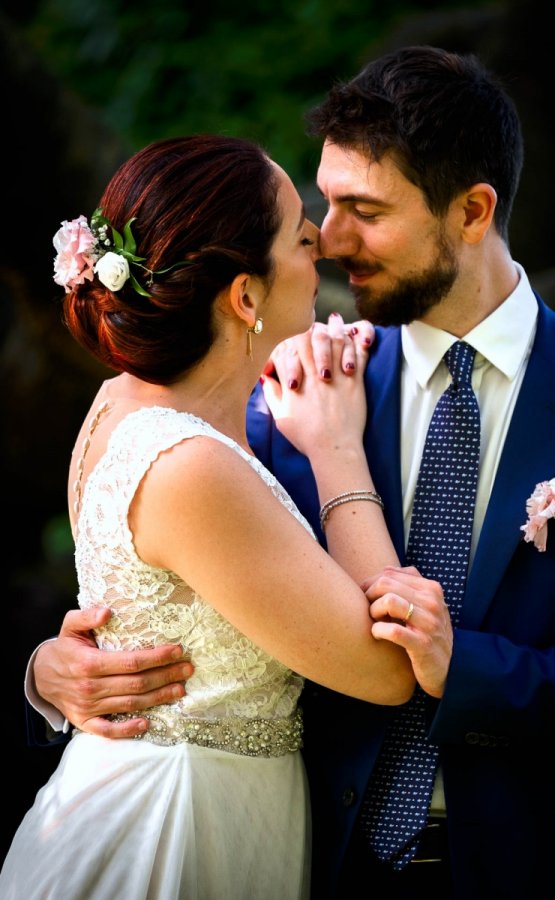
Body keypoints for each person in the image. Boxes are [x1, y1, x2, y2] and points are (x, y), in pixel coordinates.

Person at [25, 46, 555, 899]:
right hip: (318, 862)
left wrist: (469, 670)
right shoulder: (283, 396)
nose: (328, 241)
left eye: (362, 210)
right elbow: (175, 580)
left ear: (473, 211)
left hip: (535, 866)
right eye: (323, 205)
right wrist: (50, 672)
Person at [3, 132, 442, 900]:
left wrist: (45, 672)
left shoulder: (122, 401)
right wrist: (336, 447)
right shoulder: (189, 467)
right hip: (175, 829)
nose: (325, 257)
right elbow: (387, 670)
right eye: (304, 241)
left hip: (168, 792)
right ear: (244, 296)